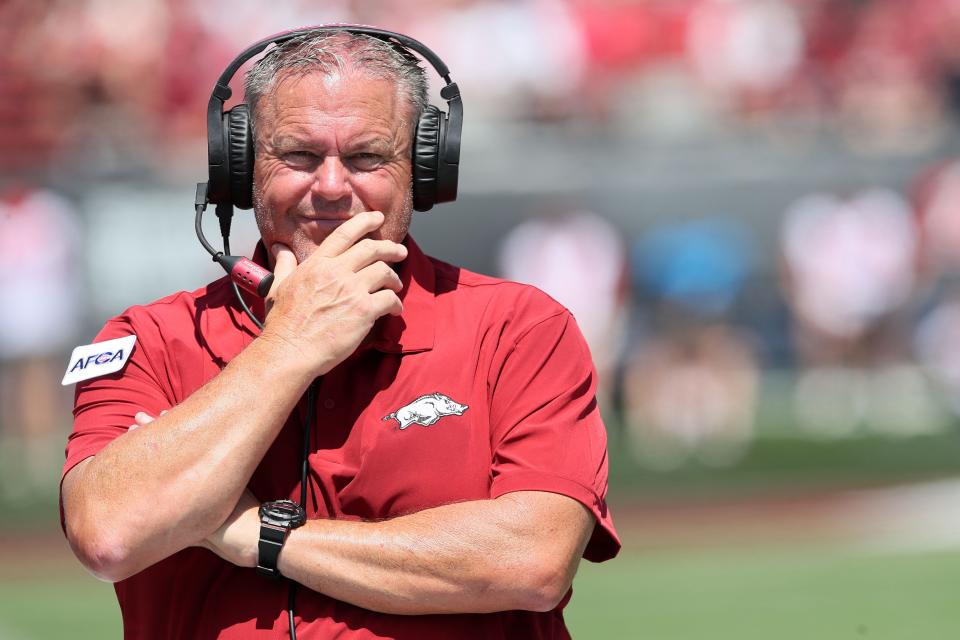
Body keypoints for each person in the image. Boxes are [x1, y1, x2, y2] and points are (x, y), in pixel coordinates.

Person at [60, 28, 619, 639]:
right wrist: (291, 345)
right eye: (298, 155)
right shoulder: (151, 338)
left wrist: (261, 536)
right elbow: (110, 534)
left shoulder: (522, 329)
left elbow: (532, 562)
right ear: (240, 164)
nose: (330, 187)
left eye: (366, 158)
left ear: (424, 171)